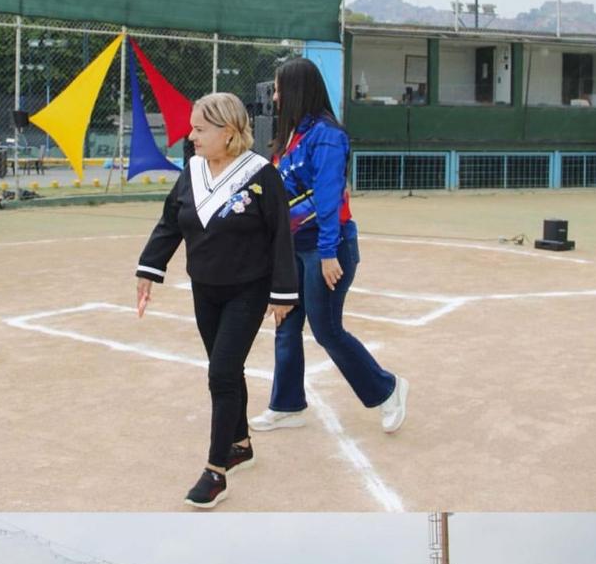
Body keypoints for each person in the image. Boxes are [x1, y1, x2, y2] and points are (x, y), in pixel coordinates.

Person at [135, 91, 299, 508]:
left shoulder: (261, 174)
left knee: (221, 374)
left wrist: (283, 292)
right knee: (227, 369)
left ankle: (215, 471)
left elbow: (281, 235)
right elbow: (171, 221)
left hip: (248, 289)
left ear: (228, 132)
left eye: (199, 129)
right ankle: (240, 444)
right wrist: (149, 268)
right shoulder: (192, 171)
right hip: (204, 289)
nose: (190, 136)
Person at [250, 56, 407, 437]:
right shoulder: (289, 137)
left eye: (279, 89)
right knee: (286, 323)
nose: (274, 96)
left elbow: (328, 198)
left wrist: (326, 253)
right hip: (294, 249)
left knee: (327, 330)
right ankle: (286, 406)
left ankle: (387, 389)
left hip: (326, 248)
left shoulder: (327, 136)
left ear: (296, 90)